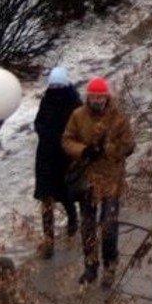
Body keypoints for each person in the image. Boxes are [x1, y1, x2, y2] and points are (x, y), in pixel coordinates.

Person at [62, 76, 136, 288]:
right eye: (93, 96)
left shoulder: (118, 118)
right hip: (88, 179)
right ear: (88, 96)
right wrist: (84, 150)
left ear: (106, 97)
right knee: (88, 225)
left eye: (100, 96)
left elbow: (129, 145)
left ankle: (110, 264)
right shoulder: (78, 116)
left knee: (108, 225)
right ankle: (91, 266)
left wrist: (107, 150)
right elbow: (66, 140)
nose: (97, 100)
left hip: (111, 178)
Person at [32, 67, 82, 259]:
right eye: (53, 86)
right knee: (46, 200)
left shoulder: (75, 104)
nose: (56, 89)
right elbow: (38, 122)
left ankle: (72, 219)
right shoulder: (47, 100)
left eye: (58, 85)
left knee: (65, 194)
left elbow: (78, 130)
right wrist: (44, 133)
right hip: (46, 158)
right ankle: (49, 241)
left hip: (65, 158)